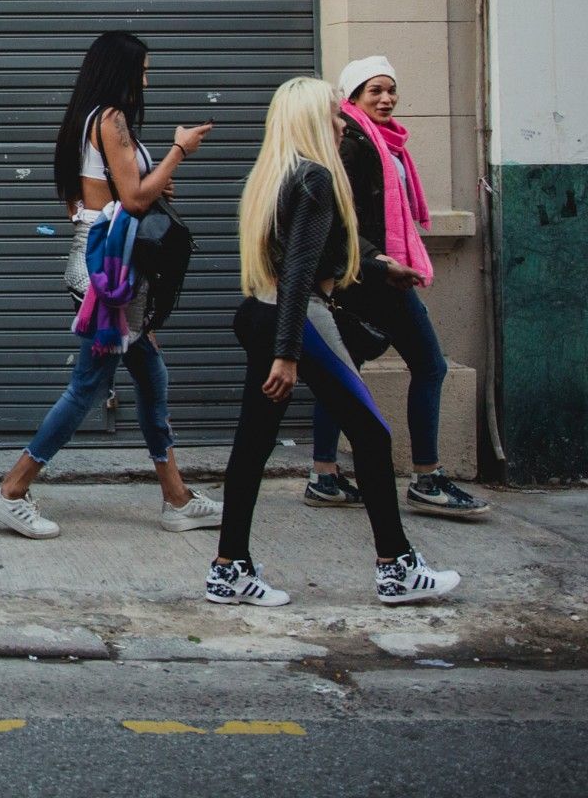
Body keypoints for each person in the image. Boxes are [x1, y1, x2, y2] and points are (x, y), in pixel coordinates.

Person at [206, 76, 461, 606]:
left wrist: (375, 263)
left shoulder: (273, 175)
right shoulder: (317, 177)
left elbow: (311, 255)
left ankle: (228, 569)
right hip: (295, 319)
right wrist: (288, 352)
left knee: (253, 444)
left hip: (259, 312)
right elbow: (298, 271)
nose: (344, 122)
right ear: (312, 120)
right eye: (335, 114)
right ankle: (396, 568)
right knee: (370, 434)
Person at [0, 32, 223, 540]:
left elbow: (87, 201)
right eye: (142, 70)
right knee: (88, 387)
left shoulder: (85, 121)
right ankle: (11, 490)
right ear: (120, 71)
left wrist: (153, 177)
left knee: (151, 376)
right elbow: (134, 200)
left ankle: (176, 497)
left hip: (103, 263)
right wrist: (179, 151)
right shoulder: (111, 120)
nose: (146, 80)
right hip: (112, 275)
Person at [302, 56, 489, 517]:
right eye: (374, 91)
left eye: (390, 89)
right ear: (353, 98)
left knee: (341, 373)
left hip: (369, 273)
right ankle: (426, 477)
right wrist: (381, 261)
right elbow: (340, 218)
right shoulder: (354, 143)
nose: (386, 98)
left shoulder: (385, 143)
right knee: (429, 365)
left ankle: (323, 474)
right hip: (374, 277)